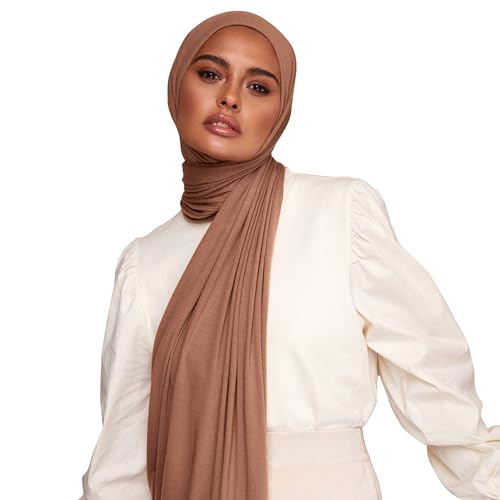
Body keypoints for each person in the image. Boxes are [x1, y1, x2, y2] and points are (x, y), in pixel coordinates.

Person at [78, 10, 500, 500]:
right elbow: (123, 456)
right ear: (177, 87)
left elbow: (431, 375)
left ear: (281, 111)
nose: (230, 97)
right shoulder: (145, 263)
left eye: (258, 87)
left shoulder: (339, 214)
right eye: (211, 74)